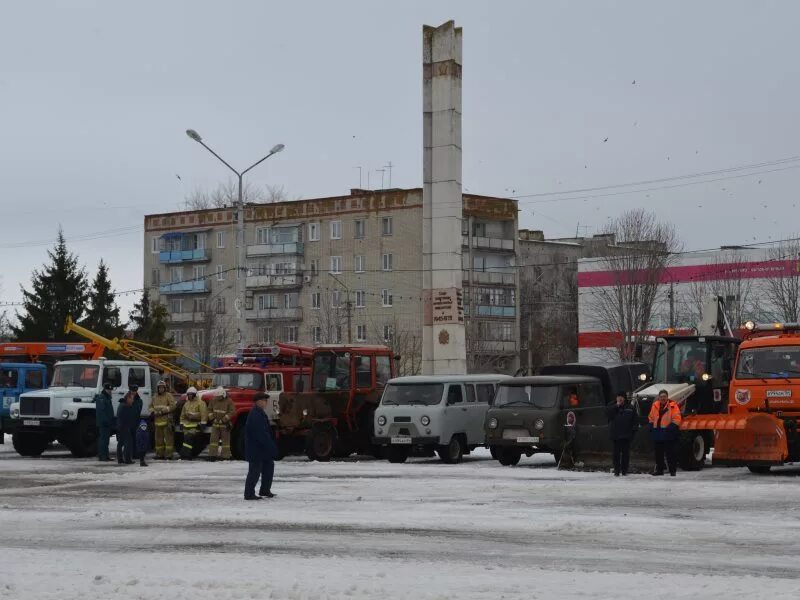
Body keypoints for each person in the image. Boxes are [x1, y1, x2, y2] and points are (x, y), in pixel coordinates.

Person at [244, 392, 277, 501]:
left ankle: (265, 490)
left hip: (262, 449)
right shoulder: (255, 414)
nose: (266, 402)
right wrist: (270, 446)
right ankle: (249, 494)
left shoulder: (260, 413)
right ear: (258, 401)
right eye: (264, 400)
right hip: (256, 449)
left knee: (269, 466)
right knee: (254, 471)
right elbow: (261, 434)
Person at [648, 389, 682, 476]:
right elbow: (651, 417)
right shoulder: (655, 405)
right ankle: (660, 470)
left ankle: (672, 471)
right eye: (661, 397)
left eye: (664, 396)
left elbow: (677, 419)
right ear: (659, 397)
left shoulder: (673, 406)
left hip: (668, 433)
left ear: (667, 397)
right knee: (658, 454)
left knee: (670, 454)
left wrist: (670, 428)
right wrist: (651, 426)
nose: (663, 398)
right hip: (657, 433)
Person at [606, 392, 638, 476]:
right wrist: (616, 406)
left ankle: (624, 471)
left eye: (622, 397)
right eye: (618, 397)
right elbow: (608, 414)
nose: (620, 399)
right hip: (615, 435)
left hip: (626, 435)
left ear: (625, 398)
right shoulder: (611, 406)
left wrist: (633, 432)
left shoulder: (630, 408)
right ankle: (616, 470)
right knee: (616, 454)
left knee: (625, 455)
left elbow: (635, 421)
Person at [207, 387, 236, 461]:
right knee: (213, 441)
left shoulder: (229, 401)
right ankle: (212, 455)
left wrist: (223, 420)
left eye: (219, 396)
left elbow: (232, 412)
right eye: (217, 396)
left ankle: (225, 456)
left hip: (225, 424)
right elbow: (209, 409)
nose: (218, 398)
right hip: (215, 424)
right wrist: (213, 418)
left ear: (223, 395)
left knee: (226, 442)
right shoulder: (213, 400)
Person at [179, 387, 207, 460]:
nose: (190, 396)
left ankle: (186, 455)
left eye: (191, 394)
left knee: (188, 439)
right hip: (186, 427)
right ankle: (187, 454)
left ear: (195, 395)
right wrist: (181, 423)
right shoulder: (186, 404)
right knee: (186, 440)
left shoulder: (201, 403)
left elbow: (204, 414)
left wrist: (203, 424)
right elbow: (182, 415)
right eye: (188, 394)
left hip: (195, 426)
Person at [151, 380, 176, 459]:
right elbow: (150, 406)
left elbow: (173, 406)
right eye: (159, 388)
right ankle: (159, 454)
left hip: (167, 421)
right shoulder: (154, 396)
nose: (161, 389)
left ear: (165, 388)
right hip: (157, 422)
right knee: (158, 440)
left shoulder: (168, 395)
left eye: (162, 388)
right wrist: (153, 412)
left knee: (169, 440)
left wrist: (163, 411)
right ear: (157, 388)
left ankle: (169, 455)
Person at [94, 382, 115, 462]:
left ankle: (105, 456)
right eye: (108, 390)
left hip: (106, 422)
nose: (110, 391)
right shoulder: (102, 398)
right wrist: (106, 421)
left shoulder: (106, 397)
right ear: (105, 389)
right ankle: (103, 456)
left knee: (105, 440)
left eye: (110, 390)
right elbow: (101, 411)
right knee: (103, 440)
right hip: (104, 423)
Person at [116, 392, 137, 464]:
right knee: (128, 443)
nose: (133, 400)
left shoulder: (121, 405)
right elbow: (128, 418)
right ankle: (127, 459)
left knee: (120, 443)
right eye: (132, 399)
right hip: (125, 427)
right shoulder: (126, 406)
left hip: (120, 427)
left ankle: (120, 459)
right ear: (128, 398)